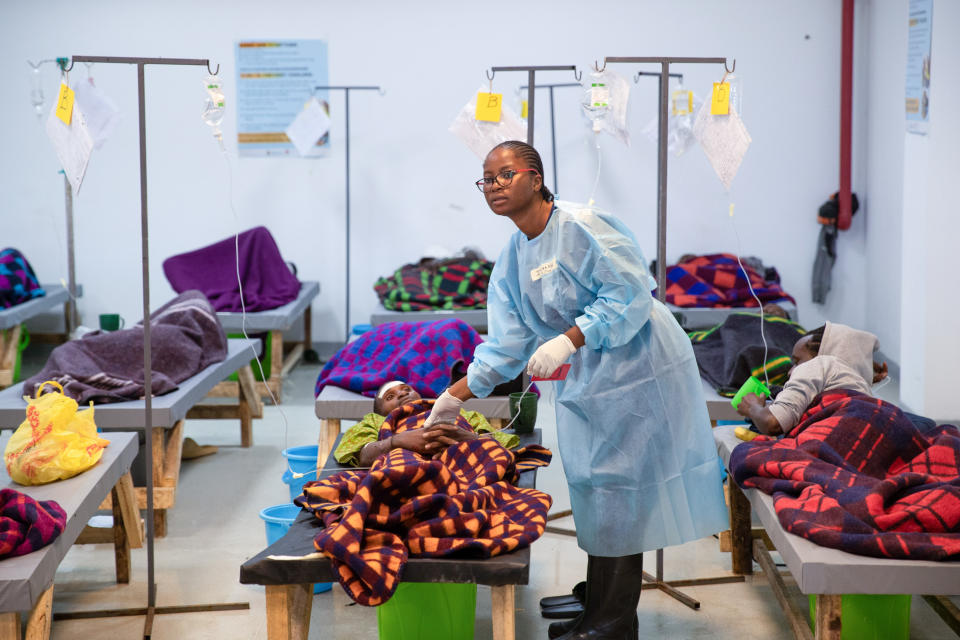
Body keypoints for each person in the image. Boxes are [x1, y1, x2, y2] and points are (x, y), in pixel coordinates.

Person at [423, 140, 728, 639]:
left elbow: (630, 292)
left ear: (536, 178)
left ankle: (612, 621)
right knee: (594, 483)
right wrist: (456, 394)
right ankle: (597, 597)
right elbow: (508, 341)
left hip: (638, 364)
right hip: (591, 375)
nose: (494, 187)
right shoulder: (513, 257)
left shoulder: (580, 226)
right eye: (486, 179)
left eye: (505, 175)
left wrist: (569, 339)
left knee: (621, 490)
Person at [737, 322, 889, 435]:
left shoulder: (820, 364)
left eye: (797, 361)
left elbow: (772, 423)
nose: (791, 372)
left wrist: (752, 407)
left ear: (822, 355)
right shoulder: (863, 391)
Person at [333, 380, 518, 467]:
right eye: (390, 396)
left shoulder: (459, 412)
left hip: (464, 462)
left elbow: (501, 442)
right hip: (405, 468)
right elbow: (361, 454)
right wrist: (395, 442)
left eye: (407, 389)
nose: (402, 394)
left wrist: (469, 438)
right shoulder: (375, 422)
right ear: (380, 412)